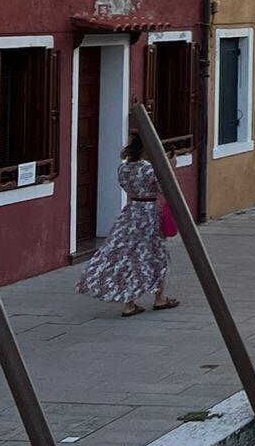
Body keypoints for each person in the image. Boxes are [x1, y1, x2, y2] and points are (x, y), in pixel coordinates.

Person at [76, 136, 178, 317]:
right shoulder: (150, 169)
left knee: (129, 256)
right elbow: (165, 189)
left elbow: (125, 186)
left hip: (131, 213)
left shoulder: (123, 168)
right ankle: (159, 298)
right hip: (149, 214)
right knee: (157, 255)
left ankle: (129, 303)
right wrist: (170, 168)